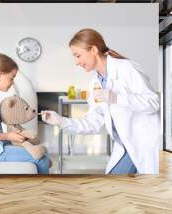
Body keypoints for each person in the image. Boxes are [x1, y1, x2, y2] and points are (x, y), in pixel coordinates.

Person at [41, 29, 160, 174]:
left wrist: (116, 98)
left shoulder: (126, 68)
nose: (76, 62)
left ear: (93, 50)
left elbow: (153, 103)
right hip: (124, 146)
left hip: (143, 144)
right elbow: (93, 122)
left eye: (78, 56)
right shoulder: (95, 83)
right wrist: (60, 121)